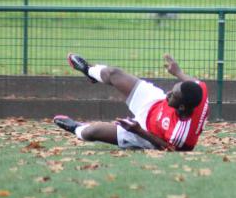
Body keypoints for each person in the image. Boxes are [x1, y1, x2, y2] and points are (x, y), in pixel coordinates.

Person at [54, 53, 209, 151]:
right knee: (114, 73)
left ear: (182, 107)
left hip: (146, 132)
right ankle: (89, 72)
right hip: (154, 102)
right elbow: (196, 83)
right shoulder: (199, 93)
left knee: (91, 132)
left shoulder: (180, 135)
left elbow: (168, 148)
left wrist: (138, 131)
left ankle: (76, 128)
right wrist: (178, 73)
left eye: (173, 95)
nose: (168, 93)